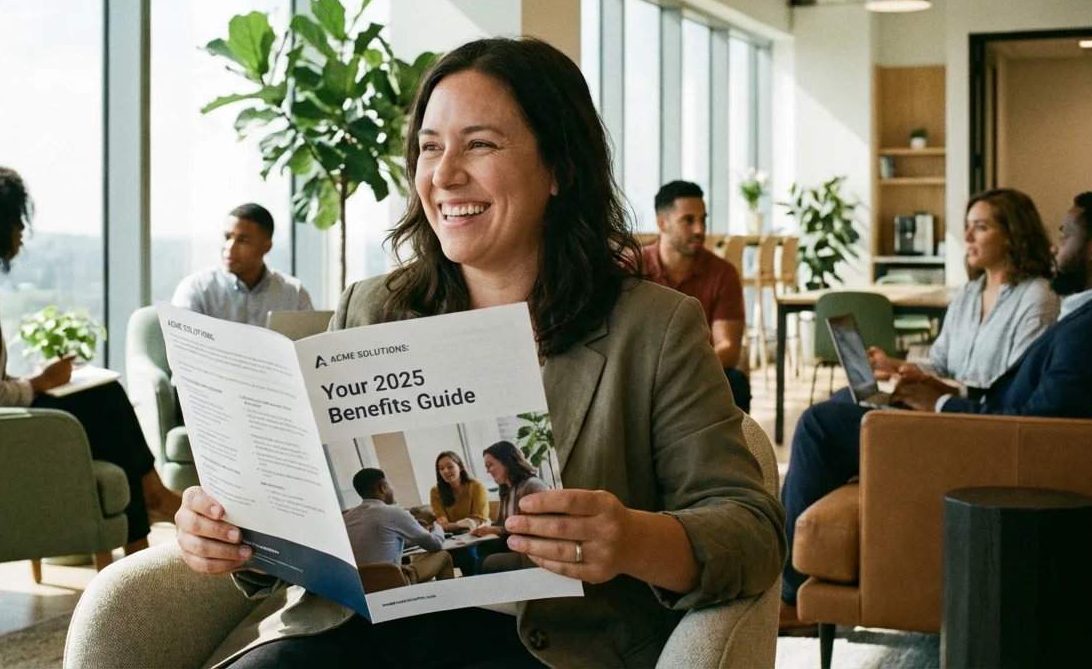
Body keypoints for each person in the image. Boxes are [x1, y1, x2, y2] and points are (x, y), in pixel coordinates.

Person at [173, 36, 785, 668]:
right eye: (430, 147)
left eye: (480, 144)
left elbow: (752, 532)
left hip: (542, 648)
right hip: (358, 634)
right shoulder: (371, 308)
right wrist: (230, 529)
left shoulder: (653, 329)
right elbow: (312, 510)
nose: (443, 174)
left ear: (559, 168)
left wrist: (633, 539)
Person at [779, 190, 1092, 631]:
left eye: (1065, 234)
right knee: (845, 403)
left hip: (986, 450)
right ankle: (796, 578)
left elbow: (1035, 429)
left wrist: (939, 402)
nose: (1056, 246)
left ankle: (791, 594)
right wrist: (919, 382)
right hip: (985, 430)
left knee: (820, 425)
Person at [0, 165, 180, 556]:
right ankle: (151, 508)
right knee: (103, 399)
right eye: (15, 220)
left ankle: (148, 514)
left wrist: (36, 382)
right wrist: (42, 382)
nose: (22, 231)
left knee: (99, 400)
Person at [863, 188, 1060, 398]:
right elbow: (940, 364)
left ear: (1012, 235)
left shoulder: (1038, 296)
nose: (967, 237)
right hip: (939, 407)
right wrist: (893, 366)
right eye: (967, 227)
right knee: (845, 398)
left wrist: (938, 388)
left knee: (833, 416)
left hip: (978, 419)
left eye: (981, 227)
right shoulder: (968, 293)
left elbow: (1014, 390)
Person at [640, 180, 752, 412]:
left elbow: (728, 348)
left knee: (736, 383)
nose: (700, 230)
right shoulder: (632, 267)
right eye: (688, 220)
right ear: (662, 224)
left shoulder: (723, 273)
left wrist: (677, 373)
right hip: (641, 374)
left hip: (699, 374)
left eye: (703, 220)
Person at [170, 203, 313, 326]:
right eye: (227, 237)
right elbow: (181, 351)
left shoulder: (294, 293)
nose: (230, 247)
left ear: (266, 247)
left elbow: (310, 350)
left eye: (243, 240)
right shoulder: (196, 289)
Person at [345, 468, 454, 586]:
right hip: (392, 582)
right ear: (383, 487)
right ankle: (450, 603)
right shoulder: (393, 512)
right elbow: (435, 544)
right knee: (444, 556)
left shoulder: (346, 519)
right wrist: (438, 527)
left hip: (361, 587)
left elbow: (380, 543)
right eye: (390, 484)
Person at [469, 441, 550, 574]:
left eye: (490, 465)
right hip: (515, 543)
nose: (487, 471)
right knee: (481, 549)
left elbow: (536, 530)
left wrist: (496, 530)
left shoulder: (533, 486)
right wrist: (487, 529)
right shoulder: (507, 489)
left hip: (530, 553)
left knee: (481, 564)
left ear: (505, 462)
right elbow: (502, 523)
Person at [429, 451, 490, 577]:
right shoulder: (436, 491)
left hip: (476, 536)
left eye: (450, 466)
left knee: (468, 555)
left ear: (460, 467)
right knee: (437, 556)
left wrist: (453, 525)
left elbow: (480, 519)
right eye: (441, 469)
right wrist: (459, 524)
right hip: (452, 539)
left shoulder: (476, 486)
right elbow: (441, 524)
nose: (445, 471)